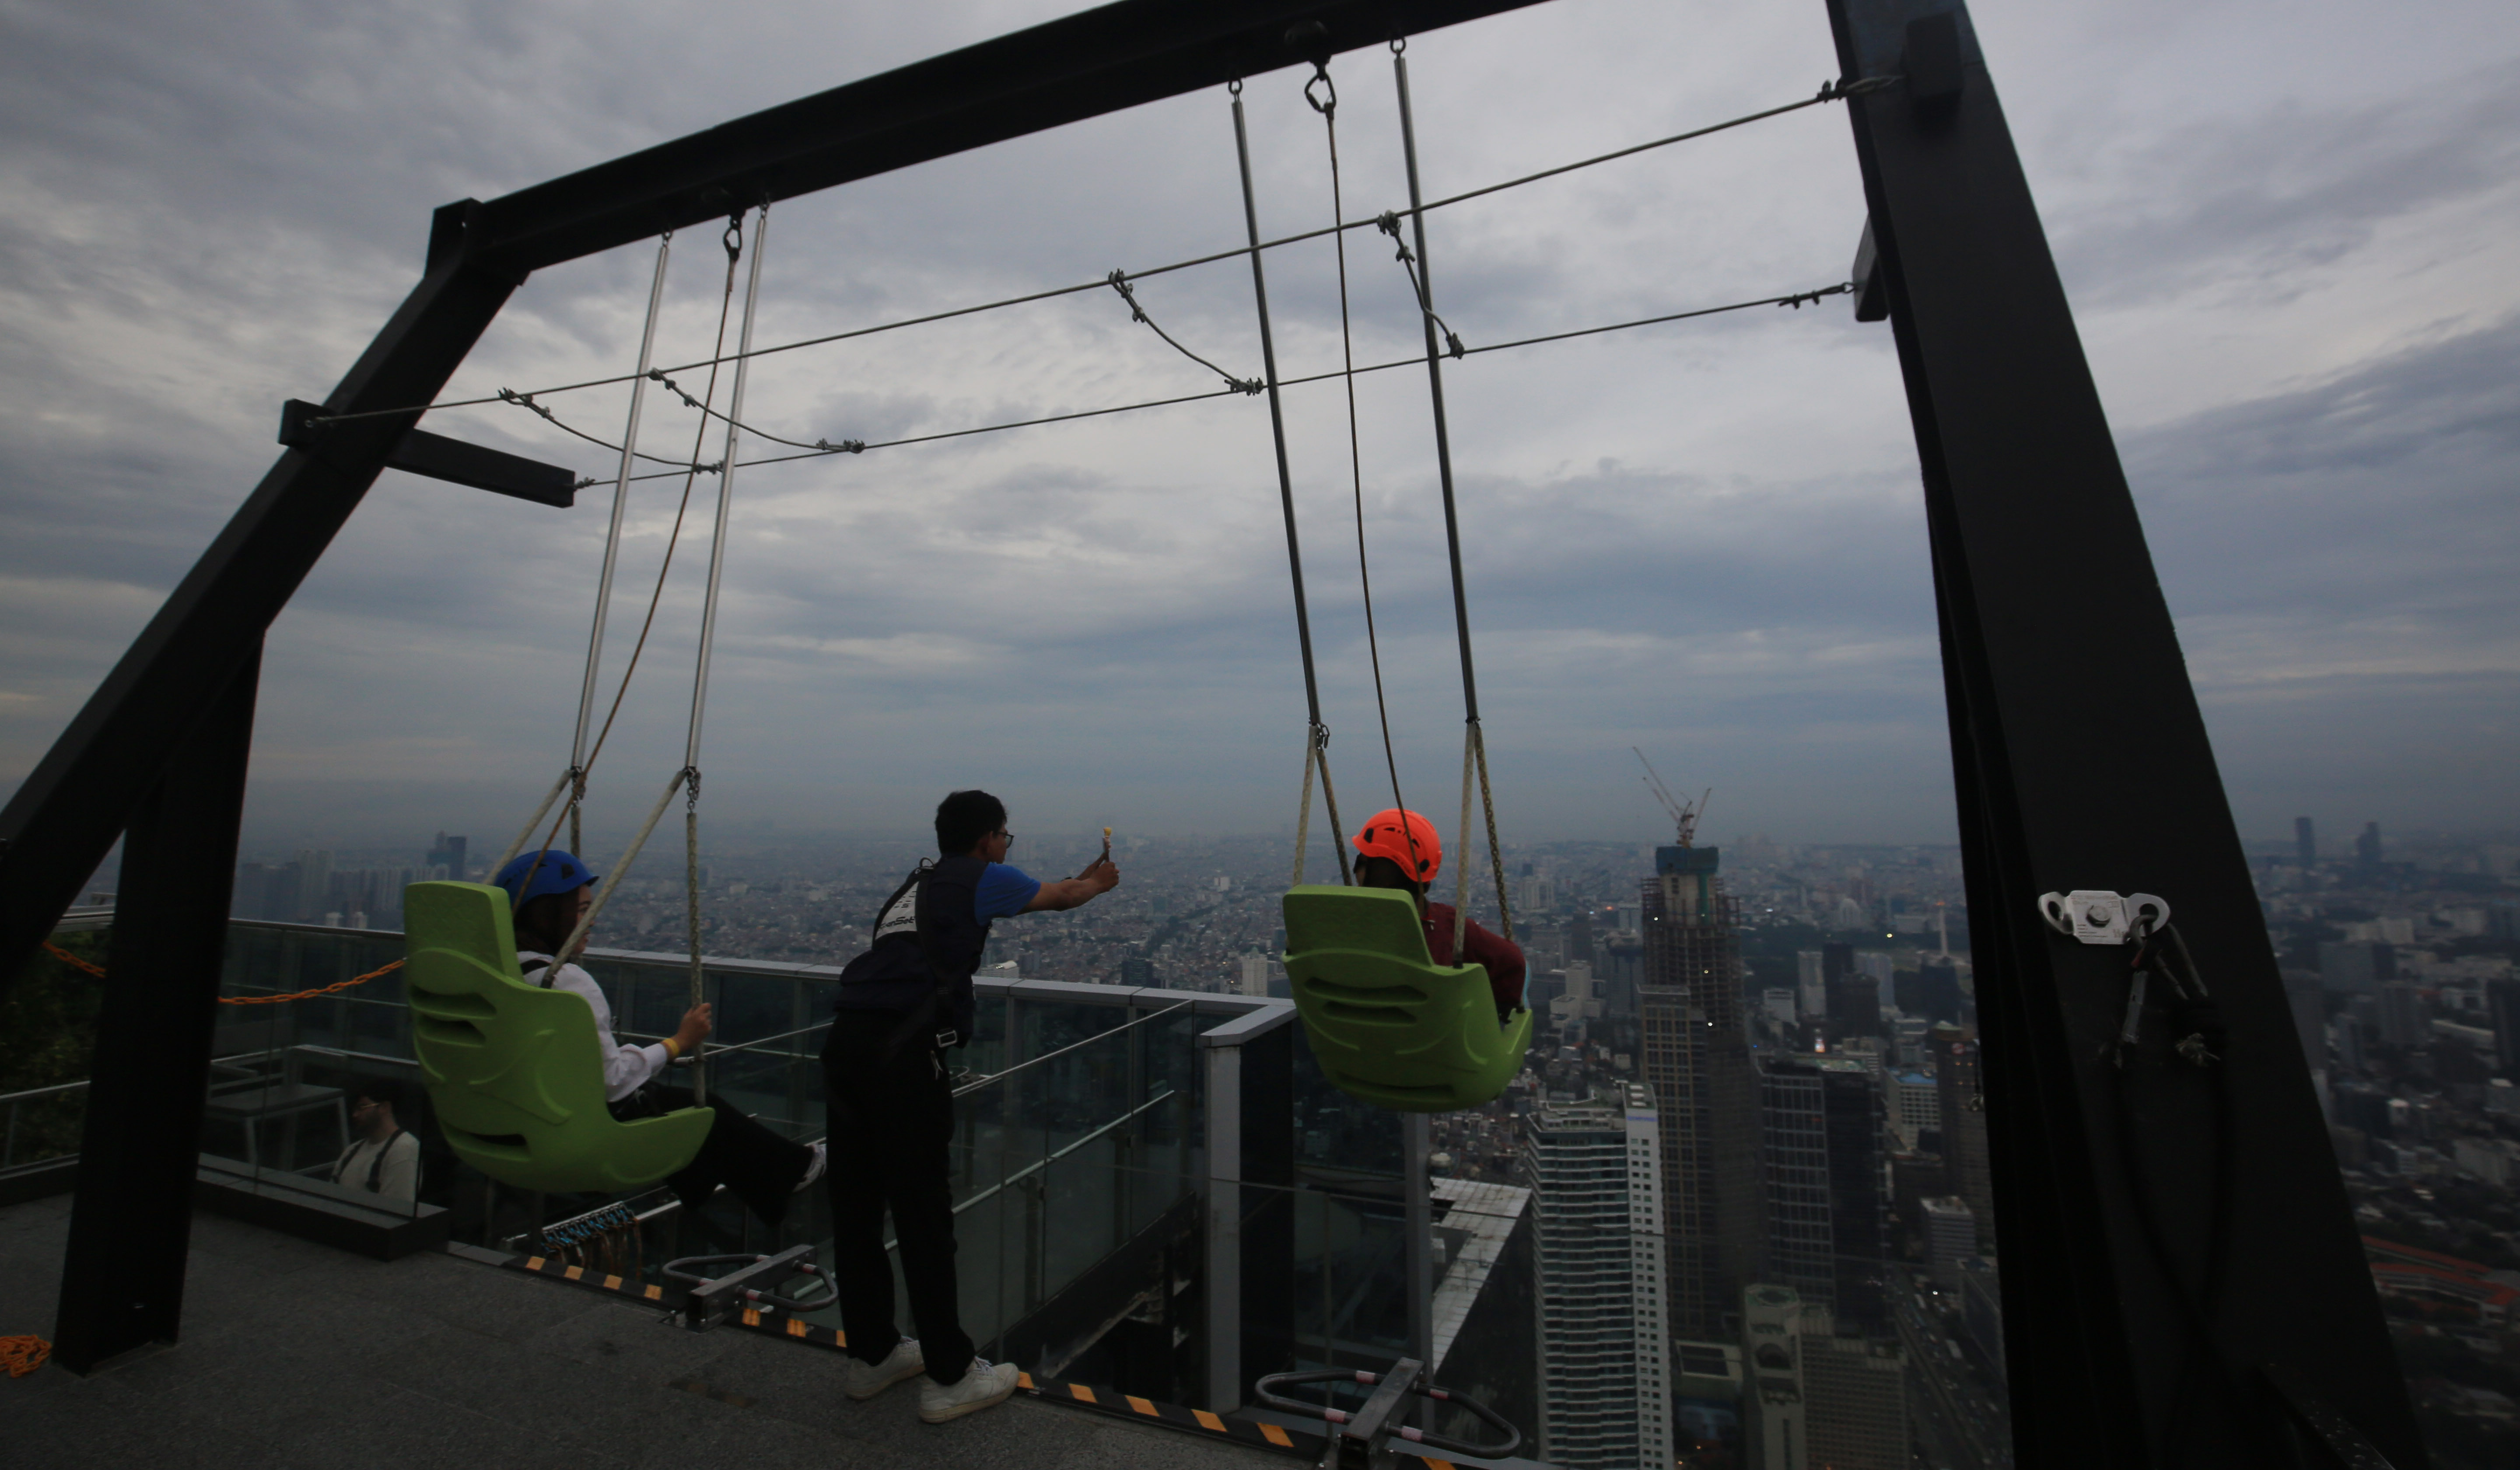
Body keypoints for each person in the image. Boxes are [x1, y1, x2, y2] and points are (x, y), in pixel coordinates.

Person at [823, 790, 1119, 1423]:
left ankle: (872, 1355)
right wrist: (1099, 884)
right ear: (987, 838)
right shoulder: (982, 876)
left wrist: (1079, 879)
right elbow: (1059, 897)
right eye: (1005, 835)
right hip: (903, 1057)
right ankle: (951, 1376)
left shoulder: (917, 885)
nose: (1008, 844)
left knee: (857, 1209)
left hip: (846, 1045)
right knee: (924, 1214)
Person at [493, 849, 825, 1224]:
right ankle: (789, 1178)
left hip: (511, 1118)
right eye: (583, 911)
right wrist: (676, 1044)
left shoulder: (497, 973)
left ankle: (775, 1182)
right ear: (548, 914)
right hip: (573, 1137)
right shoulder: (565, 981)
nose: (591, 922)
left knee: (688, 1108)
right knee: (701, 1111)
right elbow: (612, 1082)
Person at [1349, 808, 1526, 1018]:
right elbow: (1512, 961)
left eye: (1362, 859)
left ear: (1377, 874)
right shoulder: (1448, 926)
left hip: (1351, 1042)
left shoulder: (1340, 922)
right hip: (1435, 1044)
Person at [330, 1079, 420, 1203]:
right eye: (354, 1110)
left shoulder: (405, 1149)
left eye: (362, 1107)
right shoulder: (352, 1150)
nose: (355, 1115)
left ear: (384, 1107)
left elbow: (396, 1209)